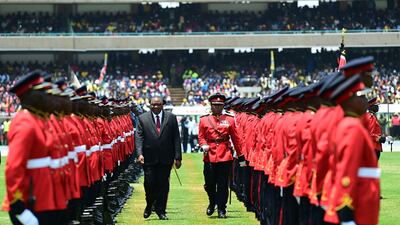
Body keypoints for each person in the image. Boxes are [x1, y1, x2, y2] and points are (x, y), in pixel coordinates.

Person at [135, 96, 182, 220]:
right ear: (149, 105)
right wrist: (139, 154)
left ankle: (161, 210)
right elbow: (139, 138)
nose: (155, 106)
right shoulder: (142, 119)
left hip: (166, 158)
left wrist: (178, 157)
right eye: (153, 104)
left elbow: (176, 138)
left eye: (158, 104)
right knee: (149, 183)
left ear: (163, 105)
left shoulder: (171, 118)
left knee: (163, 184)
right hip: (149, 158)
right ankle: (150, 204)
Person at [198, 93, 243, 218]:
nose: (217, 107)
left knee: (223, 185)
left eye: (220, 105)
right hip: (209, 155)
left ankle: (222, 209)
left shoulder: (229, 119)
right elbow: (201, 137)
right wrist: (203, 144)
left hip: (225, 155)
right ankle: (212, 202)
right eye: (215, 105)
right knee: (209, 184)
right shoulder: (204, 119)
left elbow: (236, 139)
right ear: (211, 105)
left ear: (223, 105)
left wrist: (241, 156)